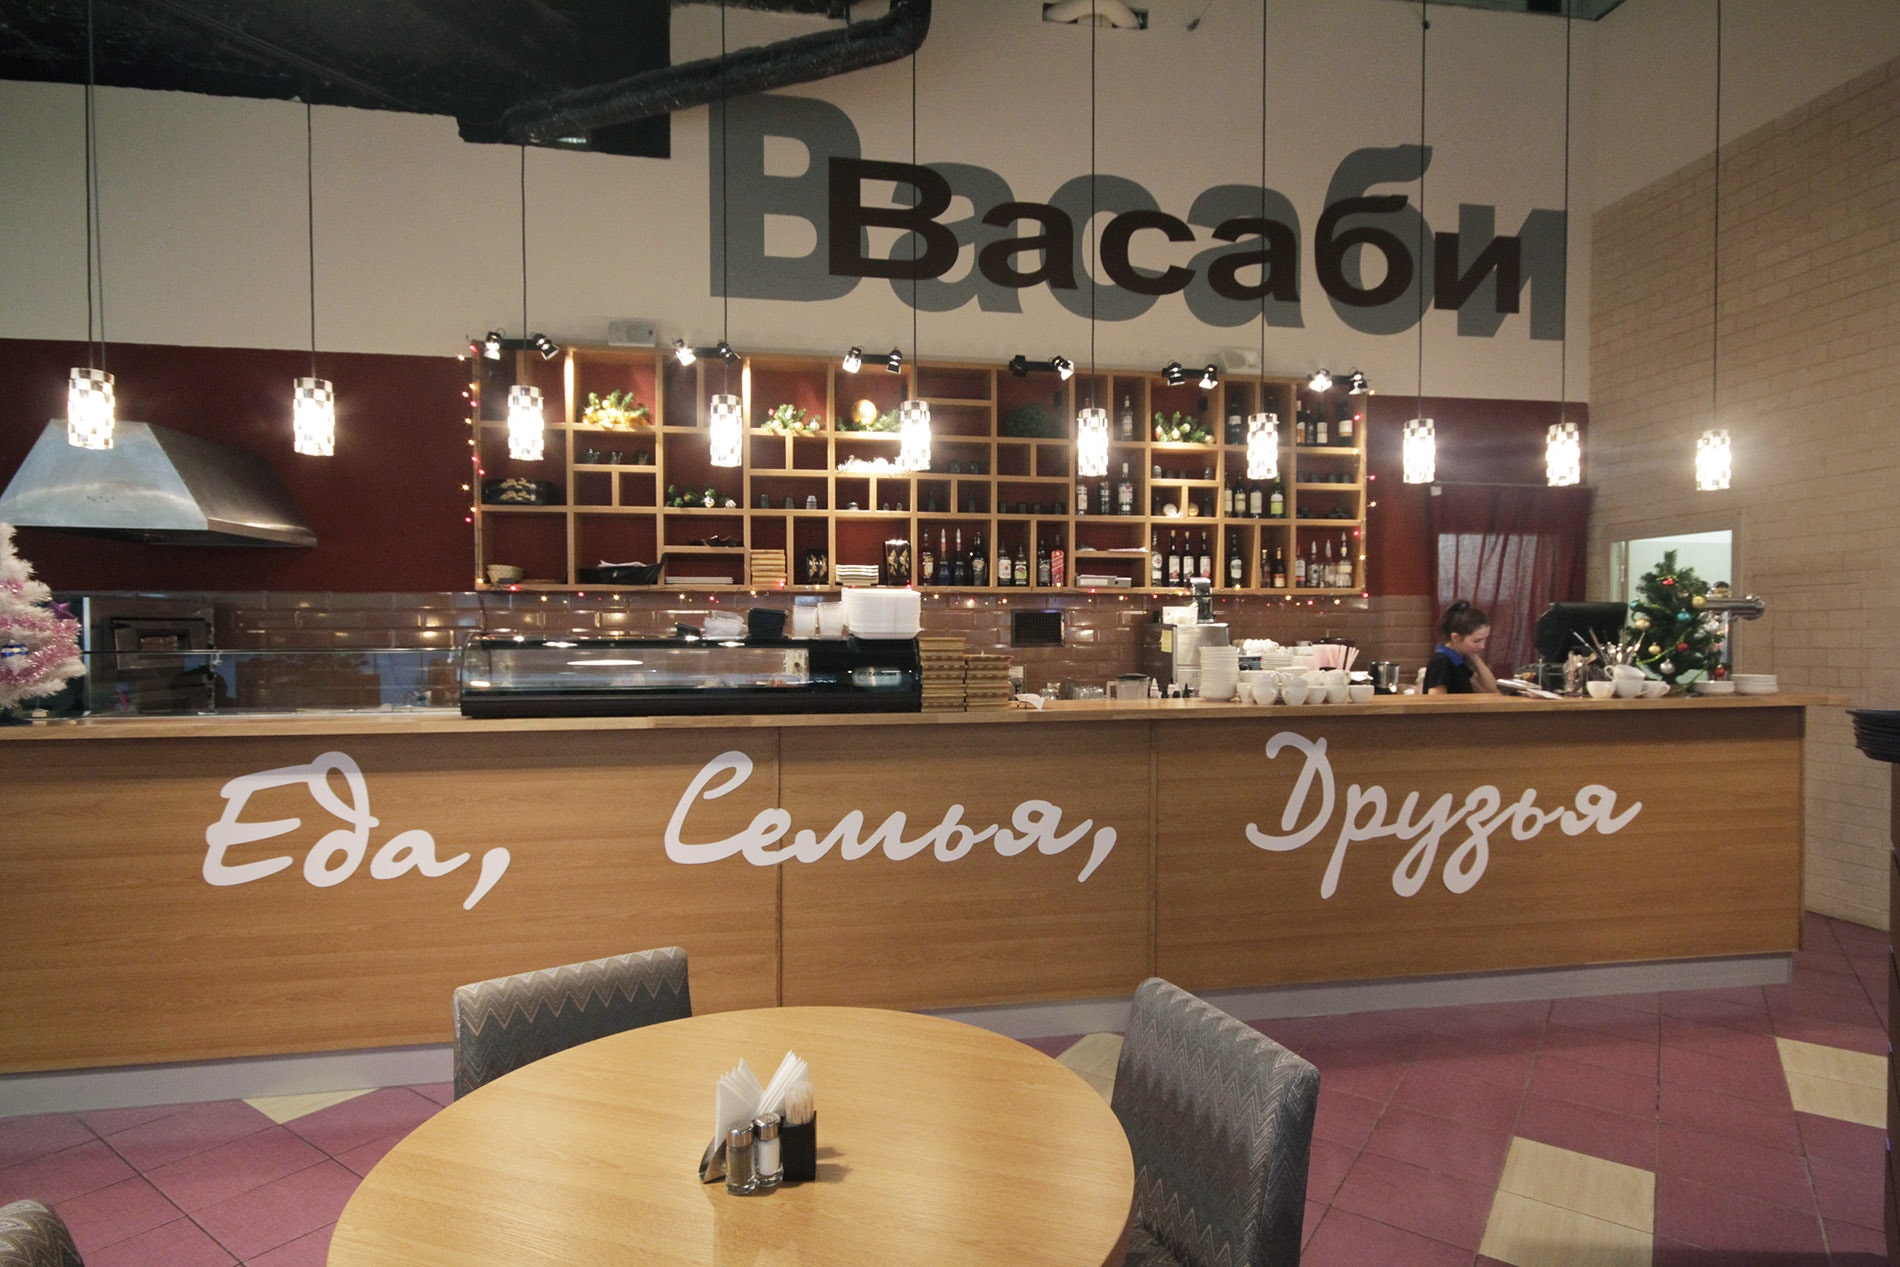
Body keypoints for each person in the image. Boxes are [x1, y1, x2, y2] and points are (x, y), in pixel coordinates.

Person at [1424, 601, 1499, 695]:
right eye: (1476, 641)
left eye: (1485, 639)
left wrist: (1475, 658)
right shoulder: (1441, 661)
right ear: (1456, 638)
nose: (1482, 646)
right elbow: (1436, 698)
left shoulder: (1459, 660)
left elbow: (1491, 689)